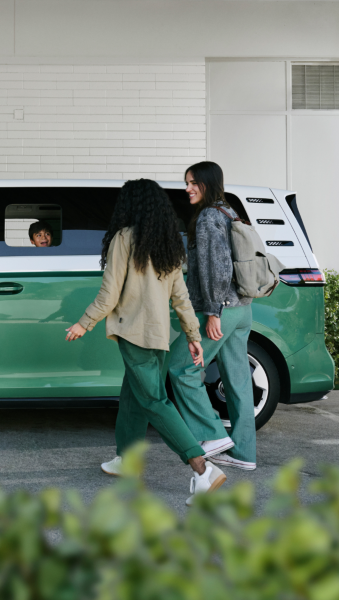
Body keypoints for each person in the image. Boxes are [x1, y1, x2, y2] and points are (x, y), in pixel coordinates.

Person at [65, 178, 226, 506]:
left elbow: (110, 293)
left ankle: (202, 469)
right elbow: (181, 297)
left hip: (134, 334)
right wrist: (193, 336)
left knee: (154, 400)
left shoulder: (125, 238)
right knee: (134, 395)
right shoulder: (168, 241)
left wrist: (85, 322)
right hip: (158, 335)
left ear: (130, 205)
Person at [167, 161, 257, 471]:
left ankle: (212, 436)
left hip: (222, 309)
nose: (188, 188)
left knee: (181, 368)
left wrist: (213, 312)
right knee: (238, 382)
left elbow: (217, 268)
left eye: (194, 183)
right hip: (242, 308)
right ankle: (244, 454)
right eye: (187, 182)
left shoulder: (207, 217)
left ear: (208, 183)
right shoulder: (229, 211)